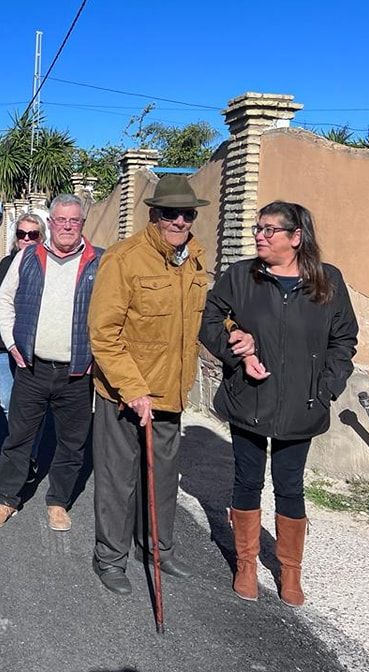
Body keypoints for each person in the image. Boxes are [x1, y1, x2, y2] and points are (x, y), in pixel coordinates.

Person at [199, 201, 357, 607]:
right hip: (249, 398)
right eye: (257, 228)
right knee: (248, 481)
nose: (259, 236)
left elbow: (344, 340)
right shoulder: (240, 276)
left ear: (296, 237)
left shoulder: (328, 281)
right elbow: (211, 322)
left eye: (269, 230)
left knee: (290, 486)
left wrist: (326, 387)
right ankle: (247, 563)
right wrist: (237, 351)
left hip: (303, 404)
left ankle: (290, 571)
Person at [87, 175, 210, 595]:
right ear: (154, 215)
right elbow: (104, 334)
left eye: (187, 214)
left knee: (162, 479)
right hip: (125, 395)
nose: (180, 221)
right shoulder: (124, 259)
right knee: (118, 480)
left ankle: (157, 550)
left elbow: (198, 320)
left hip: (170, 394)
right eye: (171, 213)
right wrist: (132, 388)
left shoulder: (194, 258)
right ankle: (110, 558)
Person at [0, 195, 103, 533]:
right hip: (32, 369)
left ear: (82, 224)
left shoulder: (99, 261)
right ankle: (7, 498)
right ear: (50, 223)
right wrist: (10, 343)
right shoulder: (27, 257)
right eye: (61, 220)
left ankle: (59, 502)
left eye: (74, 221)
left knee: (72, 442)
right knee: (19, 438)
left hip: (77, 372)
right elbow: (4, 300)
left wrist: (100, 355)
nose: (67, 226)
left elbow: (112, 313)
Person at [0, 213, 46, 418]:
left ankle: (28, 448)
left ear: (41, 237)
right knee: (7, 399)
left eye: (32, 234)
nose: (26, 238)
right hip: (4, 346)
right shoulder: (6, 264)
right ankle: (18, 443)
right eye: (21, 233)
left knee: (33, 404)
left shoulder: (48, 266)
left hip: (35, 347)